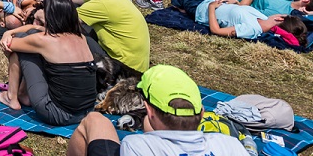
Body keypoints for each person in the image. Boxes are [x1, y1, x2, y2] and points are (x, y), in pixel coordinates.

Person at [67, 65, 248, 156]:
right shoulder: (231, 146)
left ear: (148, 111)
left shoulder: (136, 145)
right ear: (201, 113)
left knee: (94, 120)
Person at [0, 0, 97, 125]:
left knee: (21, 40)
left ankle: (12, 97)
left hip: (57, 113)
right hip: (85, 111)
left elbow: (9, 46)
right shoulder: (81, 38)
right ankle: (24, 94)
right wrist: (31, 28)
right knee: (30, 39)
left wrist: (8, 33)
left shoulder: (45, 41)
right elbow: (36, 29)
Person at [74, 0, 149, 76]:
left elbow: (63, 20)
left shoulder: (101, 4)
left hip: (126, 70)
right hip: (137, 65)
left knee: (76, 34)